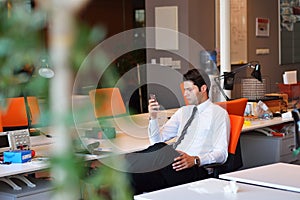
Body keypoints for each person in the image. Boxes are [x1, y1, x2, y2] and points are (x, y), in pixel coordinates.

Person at [126, 68, 230, 194]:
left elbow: (222, 154)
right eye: (184, 90)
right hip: (173, 166)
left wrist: (195, 159)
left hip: (195, 169)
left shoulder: (219, 114)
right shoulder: (183, 112)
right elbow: (156, 140)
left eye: (189, 90)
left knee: (159, 151)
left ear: (203, 89)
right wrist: (153, 117)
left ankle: (110, 170)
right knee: (135, 177)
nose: (185, 94)